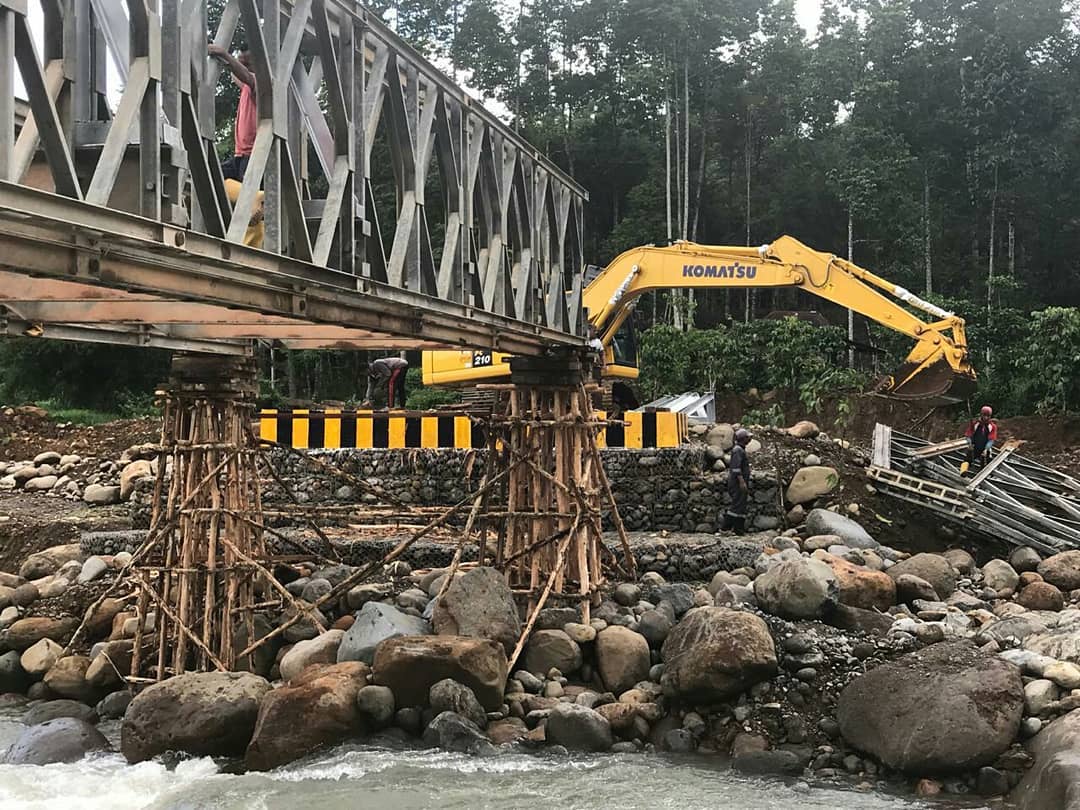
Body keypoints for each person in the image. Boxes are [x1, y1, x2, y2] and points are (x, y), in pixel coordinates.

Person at [208, 43, 256, 182]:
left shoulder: (261, 83)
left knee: (249, 198)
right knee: (211, 175)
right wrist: (228, 61)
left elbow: (245, 75)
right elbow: (236, 75)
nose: (244, 67)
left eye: (247, 63)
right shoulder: (246, 87)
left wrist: (224, 54)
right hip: (240, 155)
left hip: (253, 155)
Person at [722, 428, 753, 534]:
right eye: (747, 437)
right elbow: (736, 468)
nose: (749, 439)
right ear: (743, 439)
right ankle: (725, 528)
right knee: (737, 504)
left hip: (740, 482)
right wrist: (742, 482)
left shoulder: (740, 449)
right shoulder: (737, 450)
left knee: (741, 505)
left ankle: (739, 529)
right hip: (737, 483)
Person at [961, 405, 998, 475]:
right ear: (981, 414)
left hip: (985, 448)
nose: (986, 417)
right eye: (984, 415)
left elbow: (991, 440)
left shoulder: (992, 426)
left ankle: (983, 475)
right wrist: (970, 443)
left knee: (985, 461)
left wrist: (986, 449)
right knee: (967, 459)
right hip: (974, 447)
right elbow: (968, 435)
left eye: (988, 416)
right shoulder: (975, 424)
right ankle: (963, 472)